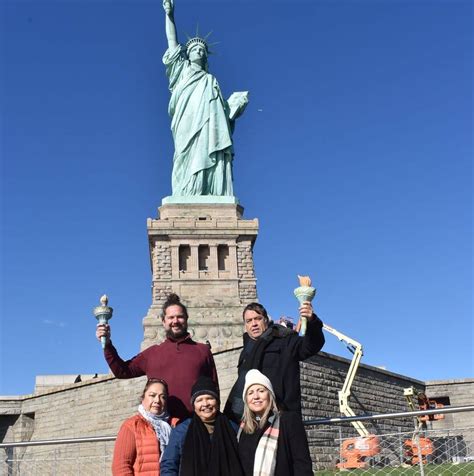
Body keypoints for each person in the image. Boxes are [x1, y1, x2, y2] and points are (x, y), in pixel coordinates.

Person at [162, 0, 248, 197]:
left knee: (208, 149)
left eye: (202, 50)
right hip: (186, 121)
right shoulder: (181, 70)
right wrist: (170, 15)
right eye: (194, 49)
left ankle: (208, 190)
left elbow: (222, 116)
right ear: (188, 54)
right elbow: (172, 41)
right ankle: (186, 192)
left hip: (208, 127)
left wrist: (235, 108)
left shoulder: (211, 80)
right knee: (184, 154)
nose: (198, 51)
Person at [96, 293, 218, 420]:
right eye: (171, 317)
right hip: (161, 427)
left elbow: (214, 390)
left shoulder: (202, 351)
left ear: (186, 319)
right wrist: (107, 345)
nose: (175, 321)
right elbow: (122, 371)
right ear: (163, 321)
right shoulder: (151, 354)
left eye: (179, 317)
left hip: (196, 425)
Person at [224, 301, 325, 423]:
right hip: (251, 418)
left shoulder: (285, 340)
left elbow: (311, 346)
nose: (254, 324)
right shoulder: (245, 351)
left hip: (281, 416)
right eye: (249, 321)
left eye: (258, 319)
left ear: (266, 320)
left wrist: (312, 321)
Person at [160, 376, 244, 476]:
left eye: (210, 398)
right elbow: (169, 465)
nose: (205, 404)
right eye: (199, 400)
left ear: (217, 402)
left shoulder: (232, 428)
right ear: (194, 405)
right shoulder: (181, 431)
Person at [238, 369, 313, 476]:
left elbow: (302, 464)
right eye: (250, 393)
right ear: (246, 400)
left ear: (270, 394)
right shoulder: (243, 429)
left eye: (261, 390)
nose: (255, 396)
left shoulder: (288, 421)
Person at [112, 378, 179, 475]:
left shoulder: (175, 425)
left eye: (163, 397)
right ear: (143, 398)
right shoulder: (131, 426)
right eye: (152, 395)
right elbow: (121, 467)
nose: (157, 400)